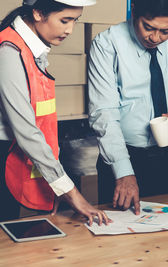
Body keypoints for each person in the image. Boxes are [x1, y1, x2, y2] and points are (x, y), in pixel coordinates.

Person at [88, 0, 168, 214]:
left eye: (165, 31)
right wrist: (124, 172)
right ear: (134, 11)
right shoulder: (107, 43)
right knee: (118, 240)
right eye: (148, 27)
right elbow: (103, 112)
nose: (155, 38)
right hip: (124, 159)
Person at [0, 0, 110, 226]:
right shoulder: (9, 51)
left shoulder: (32, 48)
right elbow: (27, 131)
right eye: (64, 20)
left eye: (75, 21)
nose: (70, 29)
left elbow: (41, 125)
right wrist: (71, 193)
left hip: (21, 152)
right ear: (38, 13)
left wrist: (53, 186)